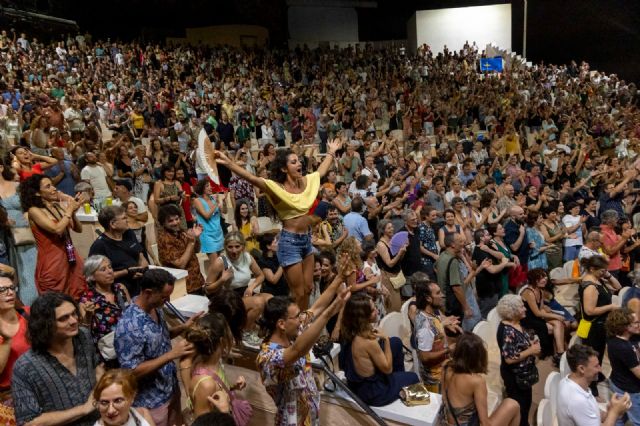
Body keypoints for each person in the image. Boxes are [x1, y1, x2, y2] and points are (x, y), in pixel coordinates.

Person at [215, 137, 342, 310]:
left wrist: (331, 152)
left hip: (307, 240)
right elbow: (252, 178)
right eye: (293, 162)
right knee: (297, 292)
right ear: (284, 168)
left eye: (298, 161)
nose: (299, 164)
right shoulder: (276, 188)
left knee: (308, 288)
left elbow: (320, 172)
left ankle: (301, 321)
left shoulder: (306, 182)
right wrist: (230, 164)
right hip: (289, 243)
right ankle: (293, 325)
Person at [256, 275, 350, 426]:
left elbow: (317, 307)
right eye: (297, 316)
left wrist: (340, 276)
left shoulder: (293, 331)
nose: (301, 319)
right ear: (281, 324)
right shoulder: (267, 357)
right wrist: (330, 312)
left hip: (311, 418)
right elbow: (297, 351)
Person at [114, 269, 200, 426]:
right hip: (152, 401)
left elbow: (161, 337)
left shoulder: (155, 307)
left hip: (170, 388)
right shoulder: (129, 326)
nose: (167, 301)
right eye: (164, 296)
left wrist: (183, 327)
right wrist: (170, 355)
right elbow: (130, 371)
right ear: (148, 292)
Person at [12, 292, 102, 425]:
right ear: (45, 324)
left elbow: (97, 368)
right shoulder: (26, 367)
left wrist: (102, 394)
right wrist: (83, 409)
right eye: (63, 318)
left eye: (74, 313)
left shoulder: (83, 336)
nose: (73, 321)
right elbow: (29, 422)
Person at [19, 174, 88, 299]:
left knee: (78, 296)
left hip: (71, 258)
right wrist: (69, 210)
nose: (54, 189)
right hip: (53, 263)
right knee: (56, 301)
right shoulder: (34, 211)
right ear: (37, 193)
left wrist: (72, 212)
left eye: (53, 185)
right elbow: (56, 229)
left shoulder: (57, 206)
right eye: (48, 186)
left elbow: (78, 229)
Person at [437, 332, 521, 426]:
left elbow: (443, 398)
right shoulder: (476, 381)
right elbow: (484, 423)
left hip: (446, 423)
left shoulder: (446, 366)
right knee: (512, 404)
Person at [184, 313, 251, 424]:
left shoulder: (214, 362)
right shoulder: (206, 385)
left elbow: (217, 390)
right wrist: (225, 412)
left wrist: (232, 387)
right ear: (222, 341)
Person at [204, 232, 270, 345]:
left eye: (237, 246)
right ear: (225, 247)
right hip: (226, 298)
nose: (234, 250)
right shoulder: (221, 262)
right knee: (258, 302)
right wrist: (222, 280)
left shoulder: (247, 257)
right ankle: (244, 332)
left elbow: (261, 275)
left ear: (243, 246)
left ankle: (260, 327)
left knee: (270, 298)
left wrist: (251, 287)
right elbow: (207, 289)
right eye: (230, 247)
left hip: (242, 292)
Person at [557, 344, 631, 426]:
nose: (600, 369)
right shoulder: (577, 400)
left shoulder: (566, 381)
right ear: (581, 369)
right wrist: (614, 412)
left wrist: (611, 411)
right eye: (596, 366)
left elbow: (590, 414)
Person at [496, 294, 541, 426]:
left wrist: (531, 341)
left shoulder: (516, 323)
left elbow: (520, 342)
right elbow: (509, 359)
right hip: (515, 377)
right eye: (521, 307)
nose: (525, 309)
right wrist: (531, 351)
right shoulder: (507, 331)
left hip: (524, 375)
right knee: (520, 408)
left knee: (526, 403)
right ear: (512, 311)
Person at [579, 255, 621, 396]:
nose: (604, 273)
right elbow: (589, 310)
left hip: (600, 325)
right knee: (593, 357)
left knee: (599, 354)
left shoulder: (598, 280)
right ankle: (591, 386)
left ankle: (596, 376)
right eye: (602, 270)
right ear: (592, 269)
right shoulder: (590, 286)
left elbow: (618, 287)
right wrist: (609, 307)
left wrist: (607, 274)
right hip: (594, 328)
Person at [79, 255, 130, 366]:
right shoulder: (86, 300)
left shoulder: (120, 288)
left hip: (132, 345)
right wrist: (88, 315)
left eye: (110, 267)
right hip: (111, 354)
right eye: (103, 269)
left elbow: (132, 314)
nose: (110, 271)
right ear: (92, 276)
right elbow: (84, 333)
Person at [413, 279, 461, 392]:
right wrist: (448, 349)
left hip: (442, 370)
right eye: (438, 293)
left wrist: (443, 323)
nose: (442, 295)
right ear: (428, 298)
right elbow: (424, 357)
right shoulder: (425, 326)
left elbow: (434, 330)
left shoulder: (430, 313)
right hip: (436, 379)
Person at [0, 163, 38, 306]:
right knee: (14, 276)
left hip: (25, 234)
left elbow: (31, 206)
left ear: (1, 167)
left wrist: (28, 217)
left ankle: (34, 305)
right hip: (5, 238)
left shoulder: (16, 186)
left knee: (30, 272)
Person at [89, 206, 149, 296]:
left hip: (141, 284)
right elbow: (97, 277)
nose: (127, 220)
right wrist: (127, 272)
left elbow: (141, 256)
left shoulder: (129, 234)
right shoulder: (99, 246)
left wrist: (141, 269)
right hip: (120, 291)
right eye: (124, 218)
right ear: (113, 224)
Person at [0, 270, 30, 422]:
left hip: (38, 389)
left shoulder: (29, 315)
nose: (9, 292)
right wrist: (6, 340)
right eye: (2, 290)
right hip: (7, 400)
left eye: (12, 288)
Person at [519, 268, 566, 365]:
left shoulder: (540, 291)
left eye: (545, 276)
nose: (545, 279)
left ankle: (559, 353)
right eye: (541, 278)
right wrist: (555, 316)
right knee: (556, 325)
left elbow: (541, 309)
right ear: (534, 280)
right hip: (528, 320)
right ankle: (559, 353)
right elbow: (537, 313)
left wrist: (552, 314)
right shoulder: (529, 292)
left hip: (536, 317)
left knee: (559, 323)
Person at [156, 204, 205, 294]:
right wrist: (191, 242)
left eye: (177, 219)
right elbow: (181, 264)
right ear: (163, 223)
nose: (175, 222)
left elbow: (196, 250)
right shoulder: (164, 239)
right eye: (170, 221)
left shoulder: (181, 231)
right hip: (183, 287)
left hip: (196, 281)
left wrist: (196, 237)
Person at [605, 307, 640, 425]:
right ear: (626, 327)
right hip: (630, 389)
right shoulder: (624, 348)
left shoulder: (614, 338)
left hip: (617, 382)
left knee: (619, 417)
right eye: (636, 323)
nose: (638, 324)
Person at [192, 178, 225, 263]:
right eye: (207, 186)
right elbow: (206, 216)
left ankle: (224, 276)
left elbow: (225, 211)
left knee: (223, 263)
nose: (211, 187)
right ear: (201, 188)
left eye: (210, 186)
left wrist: (223, 201)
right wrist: (217, 203)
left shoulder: (214, 199)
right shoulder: (197, 201)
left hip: (218, 233)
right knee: (215, 264)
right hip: (207, 235)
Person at [257, 233, 289, 297]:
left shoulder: (277, 256)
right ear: (268, 246)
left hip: (284, 291)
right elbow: (273, 280)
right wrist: (283, 263)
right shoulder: (263, 261)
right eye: (275, 242)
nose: (278, 244)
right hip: (272, 295)